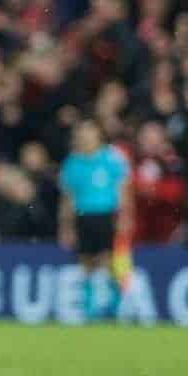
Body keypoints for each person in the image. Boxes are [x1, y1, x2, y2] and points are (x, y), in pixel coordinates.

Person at [58, 120, 132, 320]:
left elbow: (123, 192)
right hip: (83, 217)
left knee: (110, 262)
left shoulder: (112, 159)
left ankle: (116, 306)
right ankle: (89, 309)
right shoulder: (72, 163)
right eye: (81, 132)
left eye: (88, 131)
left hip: (107, 215)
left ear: (98, 134)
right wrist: (66, 227)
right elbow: (68, 198)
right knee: (86, 263)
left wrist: (125, 218)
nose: (84, 136)